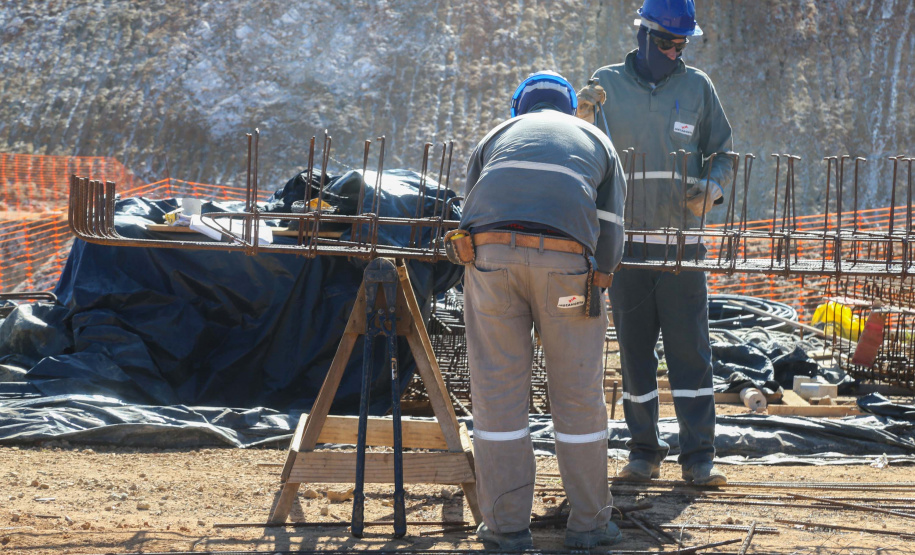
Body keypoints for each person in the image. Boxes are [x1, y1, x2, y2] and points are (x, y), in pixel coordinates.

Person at [457, 71, 627, 550]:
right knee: (576, 392)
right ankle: (589, 525)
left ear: (519, 109)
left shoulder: (497, 135)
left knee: (496, 393)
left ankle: (506, 528)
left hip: (490, 263)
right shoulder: (595, 137)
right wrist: (601, 277)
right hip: (567, 268)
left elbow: (468, 211)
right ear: (571, 107)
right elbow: (611, 224)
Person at [576, 0, 734, 486]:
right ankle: (643, 451)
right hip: (626, 250)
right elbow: (584, 153)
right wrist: (579, 116)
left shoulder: (696, 87)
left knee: (691, 355)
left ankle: (698, 458)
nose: (675, 50)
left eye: (682, 42)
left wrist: (713, 187)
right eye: (667, 41)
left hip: (683, 249)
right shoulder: (607, 86)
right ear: (643, 34)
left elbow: (721, 152)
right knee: (635, 356)